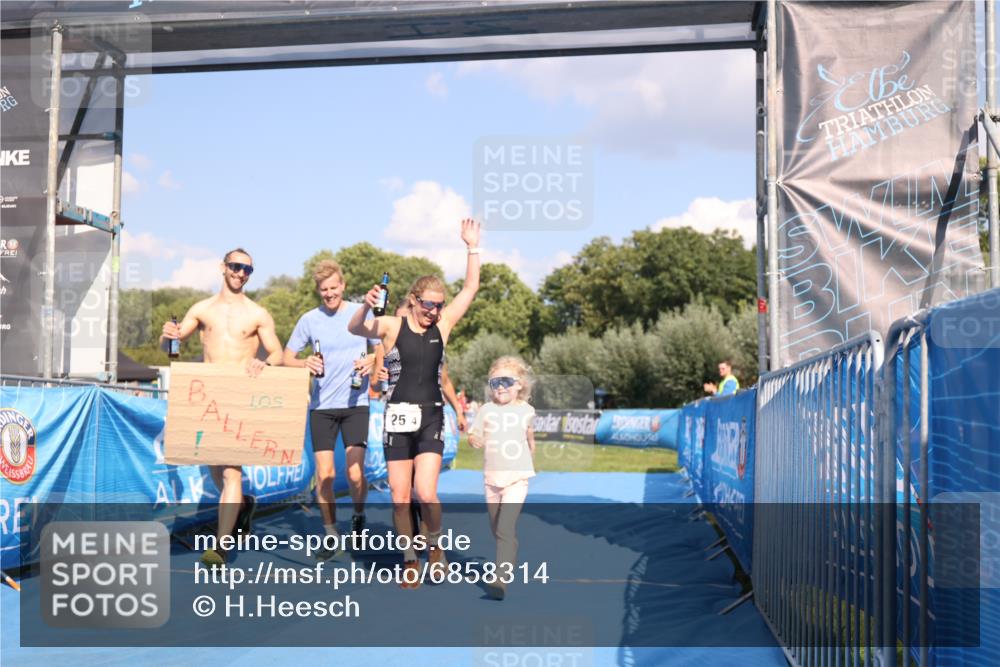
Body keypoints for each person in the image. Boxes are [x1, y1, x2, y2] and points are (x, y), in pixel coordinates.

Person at [349, 218, 480, 588]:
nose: (434, 311)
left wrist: (472, 246)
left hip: (431, 418)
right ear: (413, 300)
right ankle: (409, 559)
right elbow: (356, 328)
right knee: (400, 497)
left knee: (426, 492)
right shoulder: (392, 326)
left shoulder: (442, 326)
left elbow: (471, 287)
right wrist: (365, 306)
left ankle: (434, 546)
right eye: (428, 305)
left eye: (439, 305)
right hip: (397, 419)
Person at [160, 248, 283, 567]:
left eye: (247, 269)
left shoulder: (257, 313)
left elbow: (277, 353)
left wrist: (265, 364)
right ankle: (242, 505)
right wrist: (166, 336)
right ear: (223, 267)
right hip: (208, 395)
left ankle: (221, 544)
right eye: (236, 266)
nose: (241, 273)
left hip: (240, 394)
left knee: (231, 471)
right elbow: (173, 346)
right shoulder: (202, 309)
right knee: (216, 468)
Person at [283, 259, 379, 560]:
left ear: (343, 286)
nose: (329, 294)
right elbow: (286, 357)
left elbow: (384, 348)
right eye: (324, 289)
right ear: (318, 291)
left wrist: (372, 360)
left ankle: (359, 515)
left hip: (356, 404)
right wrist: (304, 362)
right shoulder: (309, 320)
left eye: (334, 288)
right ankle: (330, 534)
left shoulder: (361, 312)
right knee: (324, 475)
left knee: (354, 474)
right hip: (322, 407)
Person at [468, 355, 536, 601]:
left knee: (505, 528)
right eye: (495, 382)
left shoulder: (526, 410)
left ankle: (500, 578)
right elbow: (474, 434)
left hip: (517, 479)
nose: (500, 387)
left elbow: (529, 437)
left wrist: (529, 458)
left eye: (506, 381)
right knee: (497, 529)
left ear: (519, 384)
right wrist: (474, 439)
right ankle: (510, 547)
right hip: (492, 480)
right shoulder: (486, 410)